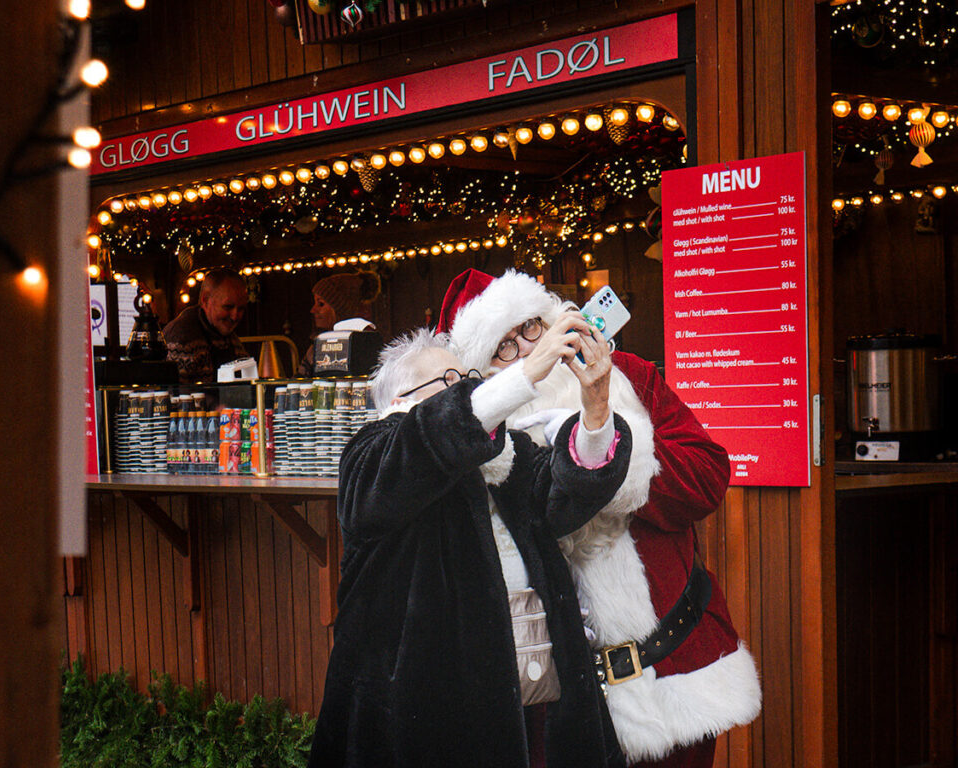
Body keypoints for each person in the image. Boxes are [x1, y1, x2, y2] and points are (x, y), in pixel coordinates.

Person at [440, 269, 761, 768]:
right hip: (553, 699)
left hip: (674, 673)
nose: (527, 349)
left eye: (531, 328)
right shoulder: (481, 439)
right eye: (503, 347)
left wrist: (611, 447)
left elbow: (707, 478)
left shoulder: (628, 373)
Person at [309, 321, 634, 768]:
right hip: (420, 717)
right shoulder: (374, 455)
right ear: (401, 402)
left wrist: (595, 411)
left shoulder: (507, 456)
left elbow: (566, 499)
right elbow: (425, 440)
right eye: (448, 384)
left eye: (467, 381)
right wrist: (524, 375)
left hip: (533, 695)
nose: (465, 393)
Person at [163, 268, 249, 383]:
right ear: (205, 300)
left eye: (241, 309)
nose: (235, 316)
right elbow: (175, 395)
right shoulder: (181, 337)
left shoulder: (228, 336)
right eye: (228, 307)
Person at [297, 271, 380, 376]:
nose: (313, 310)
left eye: (321, 304)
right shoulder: (314, 347)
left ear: (340, 310)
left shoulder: (365, 345)